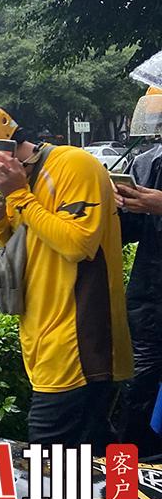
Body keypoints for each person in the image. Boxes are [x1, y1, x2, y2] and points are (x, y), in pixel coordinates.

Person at [0, 104, 133, 451]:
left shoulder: (73, 165)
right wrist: (0, 223)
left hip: (78, 343)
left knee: (48, 456)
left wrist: (19, 196)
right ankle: (125, 487)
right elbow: (33, 251)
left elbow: (78, 244)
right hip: (43, 340)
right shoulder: (22, 183)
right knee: (91, 454)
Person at [116, 87, 162, 454]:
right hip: (150, 295)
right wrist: (116, 205)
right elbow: (126, 232)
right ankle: (133, 470)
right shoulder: (146, 162)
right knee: (138, 388)